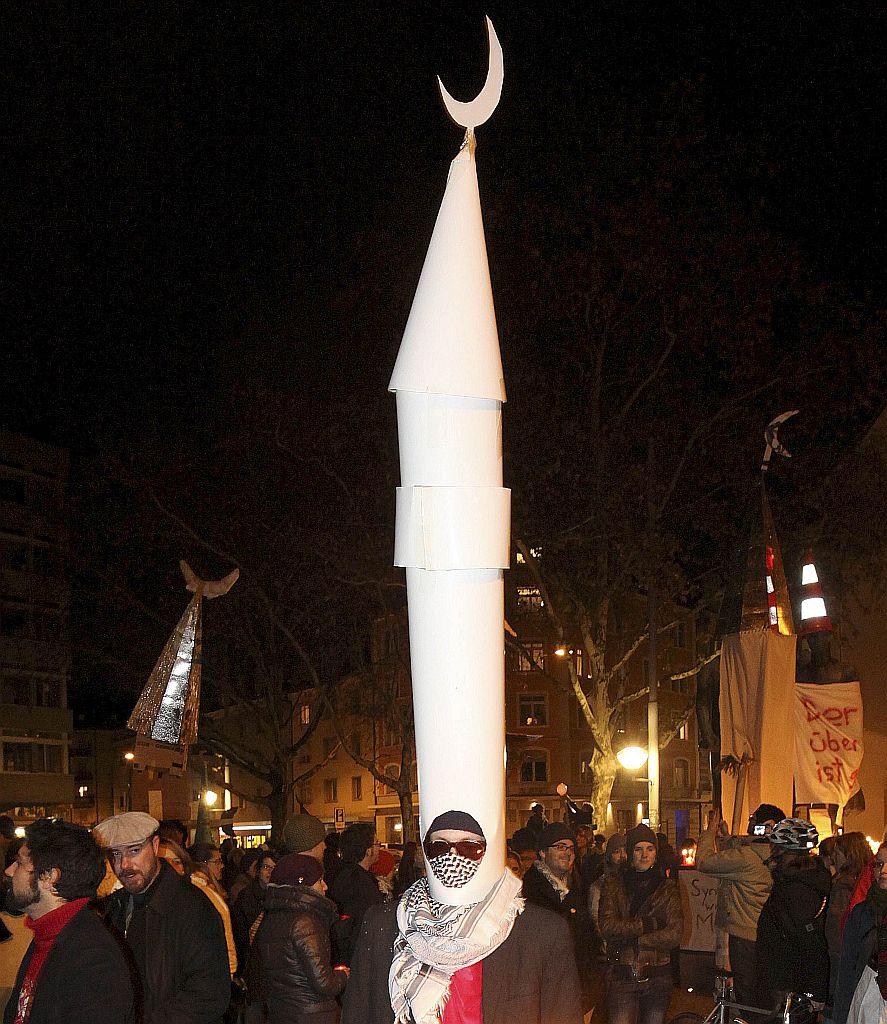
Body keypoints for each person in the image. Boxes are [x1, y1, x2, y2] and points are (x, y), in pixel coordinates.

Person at [341, 811, 583, 1024]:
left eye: (468, 848)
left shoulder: (542, 931)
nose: (453, 857)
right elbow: (359, 1012)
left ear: (487, 853)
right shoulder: (385, 923)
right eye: (440, 848)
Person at [95, 811, 230, 1024]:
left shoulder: (193, 907)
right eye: (116, 854)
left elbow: (209, 994)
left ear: (156, 846)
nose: (125, 864)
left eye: (134, 850)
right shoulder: (114, 907)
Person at [3, 819, 136, 1024]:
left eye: (20, 863)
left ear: (49, 877)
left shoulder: (93, 959)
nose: (9, 871)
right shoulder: (48, 935)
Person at [696, 803, 782, 1007]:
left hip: (742, 935)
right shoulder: (772, 854)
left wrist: (709, 832)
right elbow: (733, 858)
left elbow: (705, 862)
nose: (750, 826)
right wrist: (727, 839)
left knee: (744, 995)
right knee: (761, 995)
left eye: (753, 821)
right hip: (763, 931)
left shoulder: (748, 858)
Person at [599, 823, 683, 1024]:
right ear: (630, 853)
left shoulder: (668, 887)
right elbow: (608, 926)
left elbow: (674, 934)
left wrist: (635, 939)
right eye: (638, 849)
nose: (644, 855)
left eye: (650, 849)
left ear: (656, 853)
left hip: (658, 976)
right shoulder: (614, 884)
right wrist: (646, 924)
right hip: (622, 975)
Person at [254, 853, 349, 1024]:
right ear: (302, 883)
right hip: (312, 1014)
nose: (325, 886)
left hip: (282, 1012)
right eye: (320, 881)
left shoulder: (271, 917)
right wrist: (343, 975)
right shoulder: (305, 922)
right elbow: (324, 982)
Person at [755, 817, 830, 1014]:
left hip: (791, 985)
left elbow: (811, 942)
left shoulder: (797, 889)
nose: (771, 852)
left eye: (775, 848)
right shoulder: (792, 882)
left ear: (785, 852)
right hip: (785, 981)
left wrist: (815, 993)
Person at [521, 822, 599, 1011]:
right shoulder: (529, 890)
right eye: (560, 847)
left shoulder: (574, 888)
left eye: (571, 848)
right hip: (541, 991)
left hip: (572, 988)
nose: (568, 853)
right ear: (542, 853)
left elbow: (585, 940)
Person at [832, 841, 886, 1024]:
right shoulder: (862, 912)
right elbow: (847, 969)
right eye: (879, 864)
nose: (883, 871)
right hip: (867, 1001)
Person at [826, 832, 874, 1011]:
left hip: (841, 956)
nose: (833, 858)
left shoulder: (844, 886)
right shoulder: (864, 882)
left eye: (838, 853)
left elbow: (837, 923)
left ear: (849, 855)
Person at [327, 823, 384, 967]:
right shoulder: (359, 883)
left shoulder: (343, 874)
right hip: (358, 959)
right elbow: (365, 925)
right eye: (377, 844)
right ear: (367, 850)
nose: (379, 848)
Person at [189, 842, 238, 977]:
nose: (222, 866)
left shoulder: (206, 889)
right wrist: (231, 969)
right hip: (214, 970)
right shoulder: (203, 892)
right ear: (204, 864)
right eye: (217, 861)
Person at [232, 851, 276, 975]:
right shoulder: (246, 896)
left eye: (274, 868)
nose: (270, 872)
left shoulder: (281, 895)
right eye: (266, 867)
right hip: (252, 960)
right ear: (258, 870)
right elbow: (240, 932)